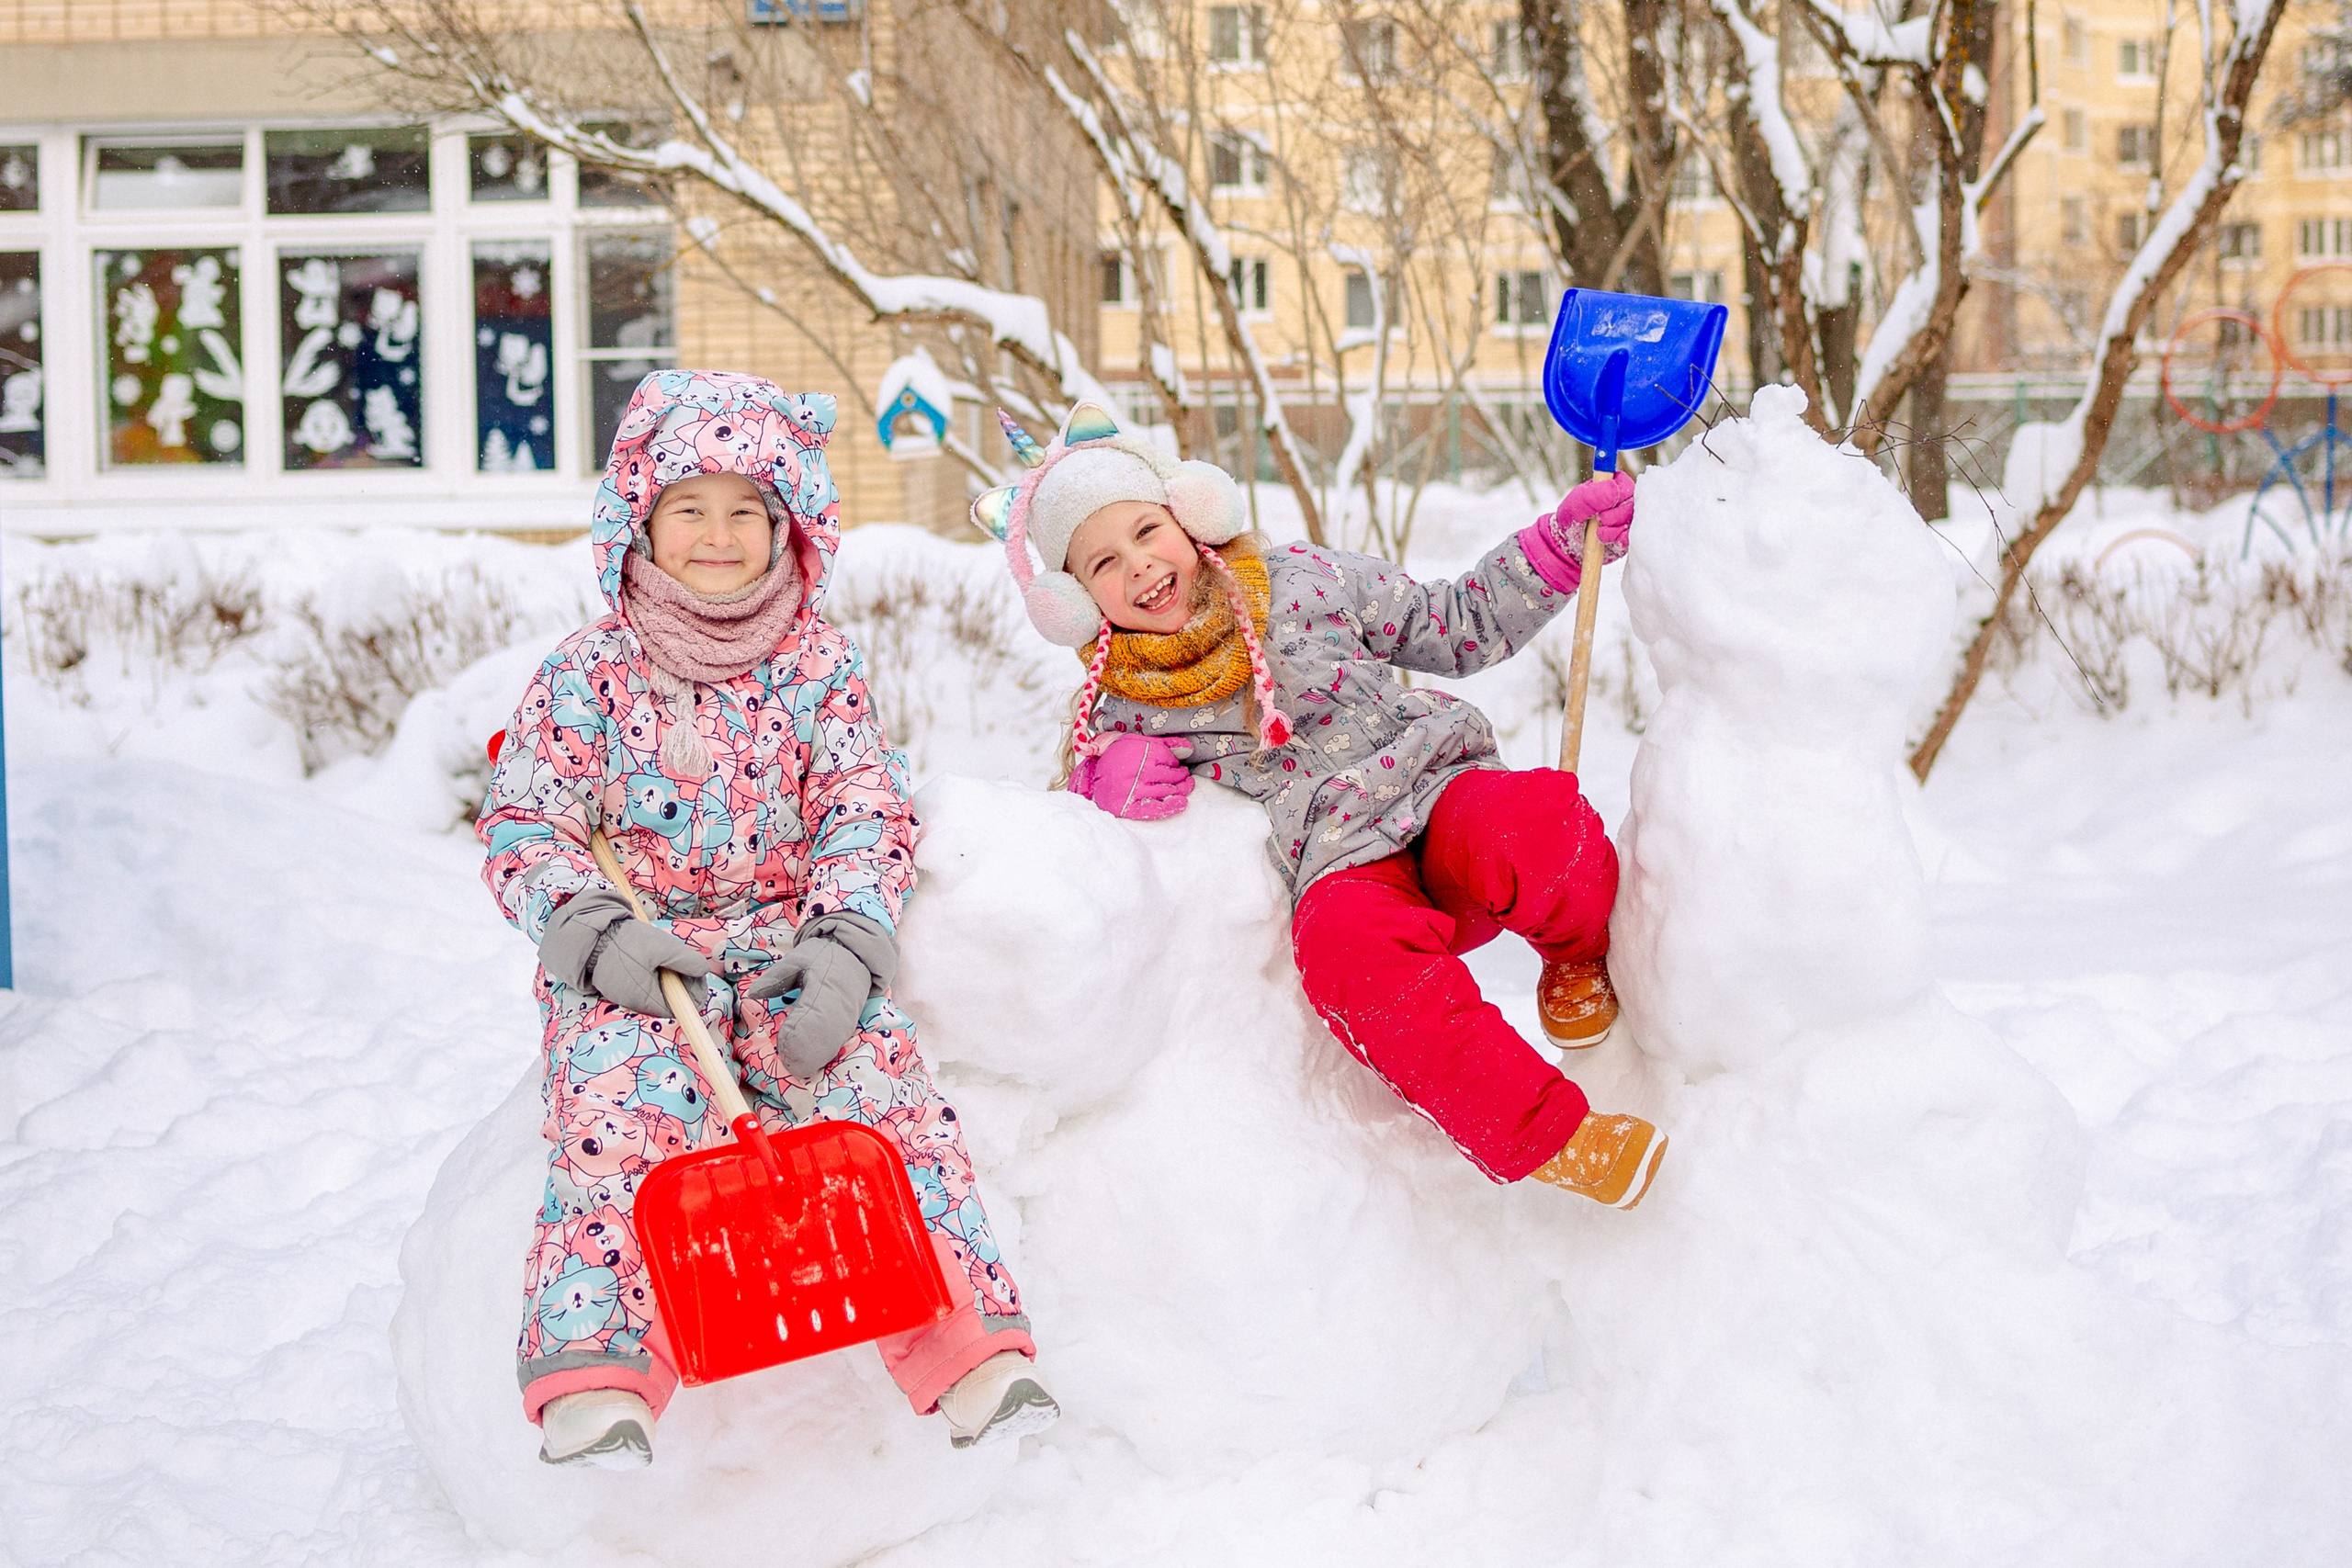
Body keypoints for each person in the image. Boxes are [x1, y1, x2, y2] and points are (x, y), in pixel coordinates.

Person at [479, 371, 1055, 1469]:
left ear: (791, 527)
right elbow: (526, 820)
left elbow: (860, 803)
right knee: (621, 1105)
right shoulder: (588, 672)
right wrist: (595, 934)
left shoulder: (818, 664)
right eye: (689, 507)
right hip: (639, 954)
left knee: (879, 1092)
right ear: (638, 520)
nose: (718, 534)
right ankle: (598, 1373)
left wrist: (844, 940)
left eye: (748, 509)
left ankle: (967, 1350)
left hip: (787, 945)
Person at [980, 403, 1667, 1210]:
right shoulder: (1123, 704)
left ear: (1190, 515)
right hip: (1342, 861)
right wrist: (1106, 782)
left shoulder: (1305, 579)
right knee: (1343, 953)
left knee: (1534, 819)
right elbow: (1084, 850)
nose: (1139, 565)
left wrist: (1554, 550)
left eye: (1146, 530)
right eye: (1102, 562)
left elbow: (1453, 623)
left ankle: (1578, 953)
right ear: (1075, 599)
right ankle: (1548, 1136)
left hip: (1442, 794)